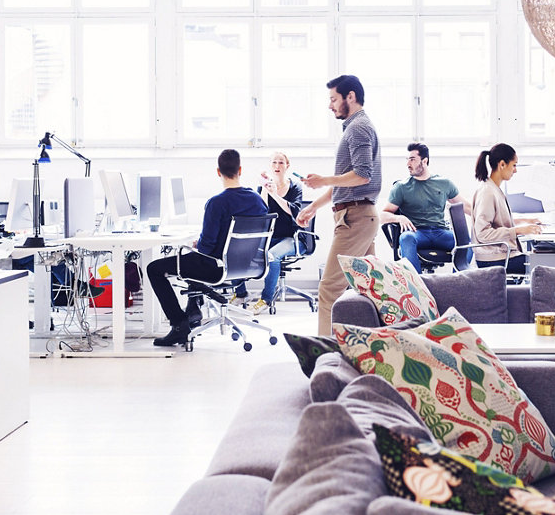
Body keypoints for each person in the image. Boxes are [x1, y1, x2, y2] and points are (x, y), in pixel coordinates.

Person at [146, 149, 269, 347]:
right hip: (247, 265)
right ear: (240, 170)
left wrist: (197, 244)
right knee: (191, 262)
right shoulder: (257, 199)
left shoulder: (216, 203)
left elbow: (206, 247)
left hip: (215, 267)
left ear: (218, 172)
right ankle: (193, 309)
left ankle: (179, 325)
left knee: (154, 268)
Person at [297, 74, 382, 335]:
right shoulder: (355, 127)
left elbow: (363, 174)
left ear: (351, 97)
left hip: (355, 219)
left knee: (329, 287)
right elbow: (347, 182)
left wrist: (323, 180)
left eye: (333, 99)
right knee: (371, 287)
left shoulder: (358, 128)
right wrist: (315, 206)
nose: (330, 105)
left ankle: (325, 352)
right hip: (359, 215)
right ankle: (373, 342)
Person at [382, 142, 468, 273]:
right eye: (407, 160)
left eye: (412, 159)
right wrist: (399, 218)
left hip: (440, 232)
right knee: (406, 238)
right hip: (417, 233)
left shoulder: (444, 183)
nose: (408, 164)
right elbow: (383, 215)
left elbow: (466, 206)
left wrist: (486, 218)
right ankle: (418, 285)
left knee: (466, 242)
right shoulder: (401, 187)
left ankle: (457, 282)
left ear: (424, 161)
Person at [238, 151, 305, 315]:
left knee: (271, 256)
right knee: (237, 250)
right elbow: (260, 211)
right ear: (270, 166)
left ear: (287, 166)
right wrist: (265, 189)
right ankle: (240, 294)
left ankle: (266, 299)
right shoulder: (265, 187)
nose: (277, 166)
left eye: (281, 162)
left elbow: (294, 212)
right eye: (274, 162)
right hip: (269, 237)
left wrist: (275, 193)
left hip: (292, 238)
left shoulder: (295, 186)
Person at [472, 143, 542, 276]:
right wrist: (518, 230)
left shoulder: (493, 188)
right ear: (502, 164)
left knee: (543, 259)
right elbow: (482, 234)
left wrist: (526, 221)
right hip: (493, 259)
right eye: (514, 165)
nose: (515, 170)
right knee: (543, 265)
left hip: (500, 255)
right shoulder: (488, 192)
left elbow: (498, 220)